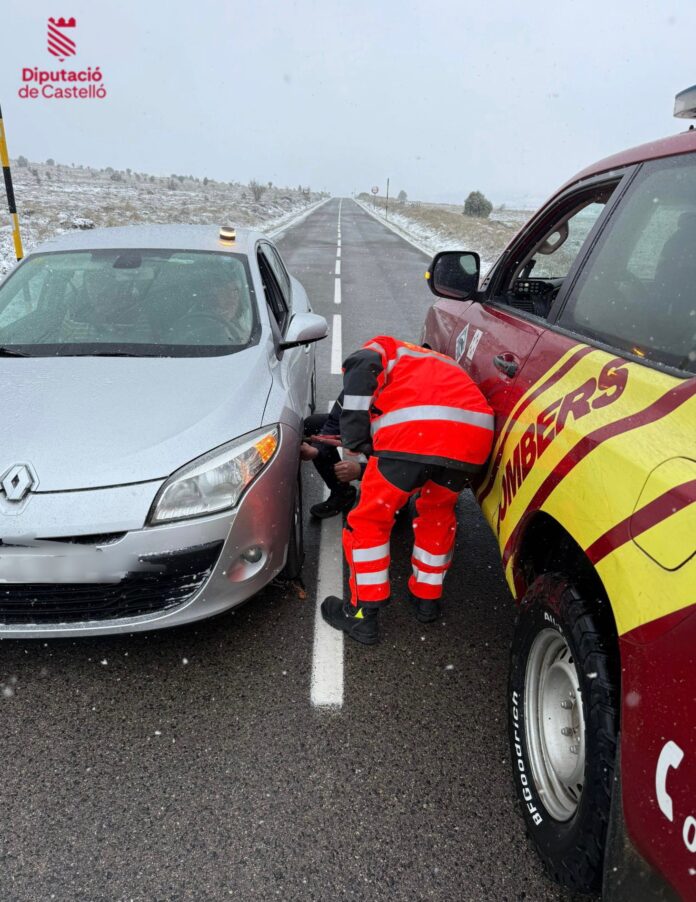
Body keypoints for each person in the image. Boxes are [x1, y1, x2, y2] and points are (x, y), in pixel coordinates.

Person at [321, 336, 494, 645]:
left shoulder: (378, 348)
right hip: (472, 442)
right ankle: (427, 600)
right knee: (437, 516)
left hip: (415, 435)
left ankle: (361, 616)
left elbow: (361, 371)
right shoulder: (432, 363)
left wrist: (357, 442)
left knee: (369, 522)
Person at [300, 393, 361, 518]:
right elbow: (335, 421)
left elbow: (406, 459)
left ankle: (396, 500)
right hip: (372, 430)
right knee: (315, 425)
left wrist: (361, 470)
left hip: (398, 455)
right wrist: (318, 450)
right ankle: (342, 493)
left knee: (383, 509)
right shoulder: (358, 376)